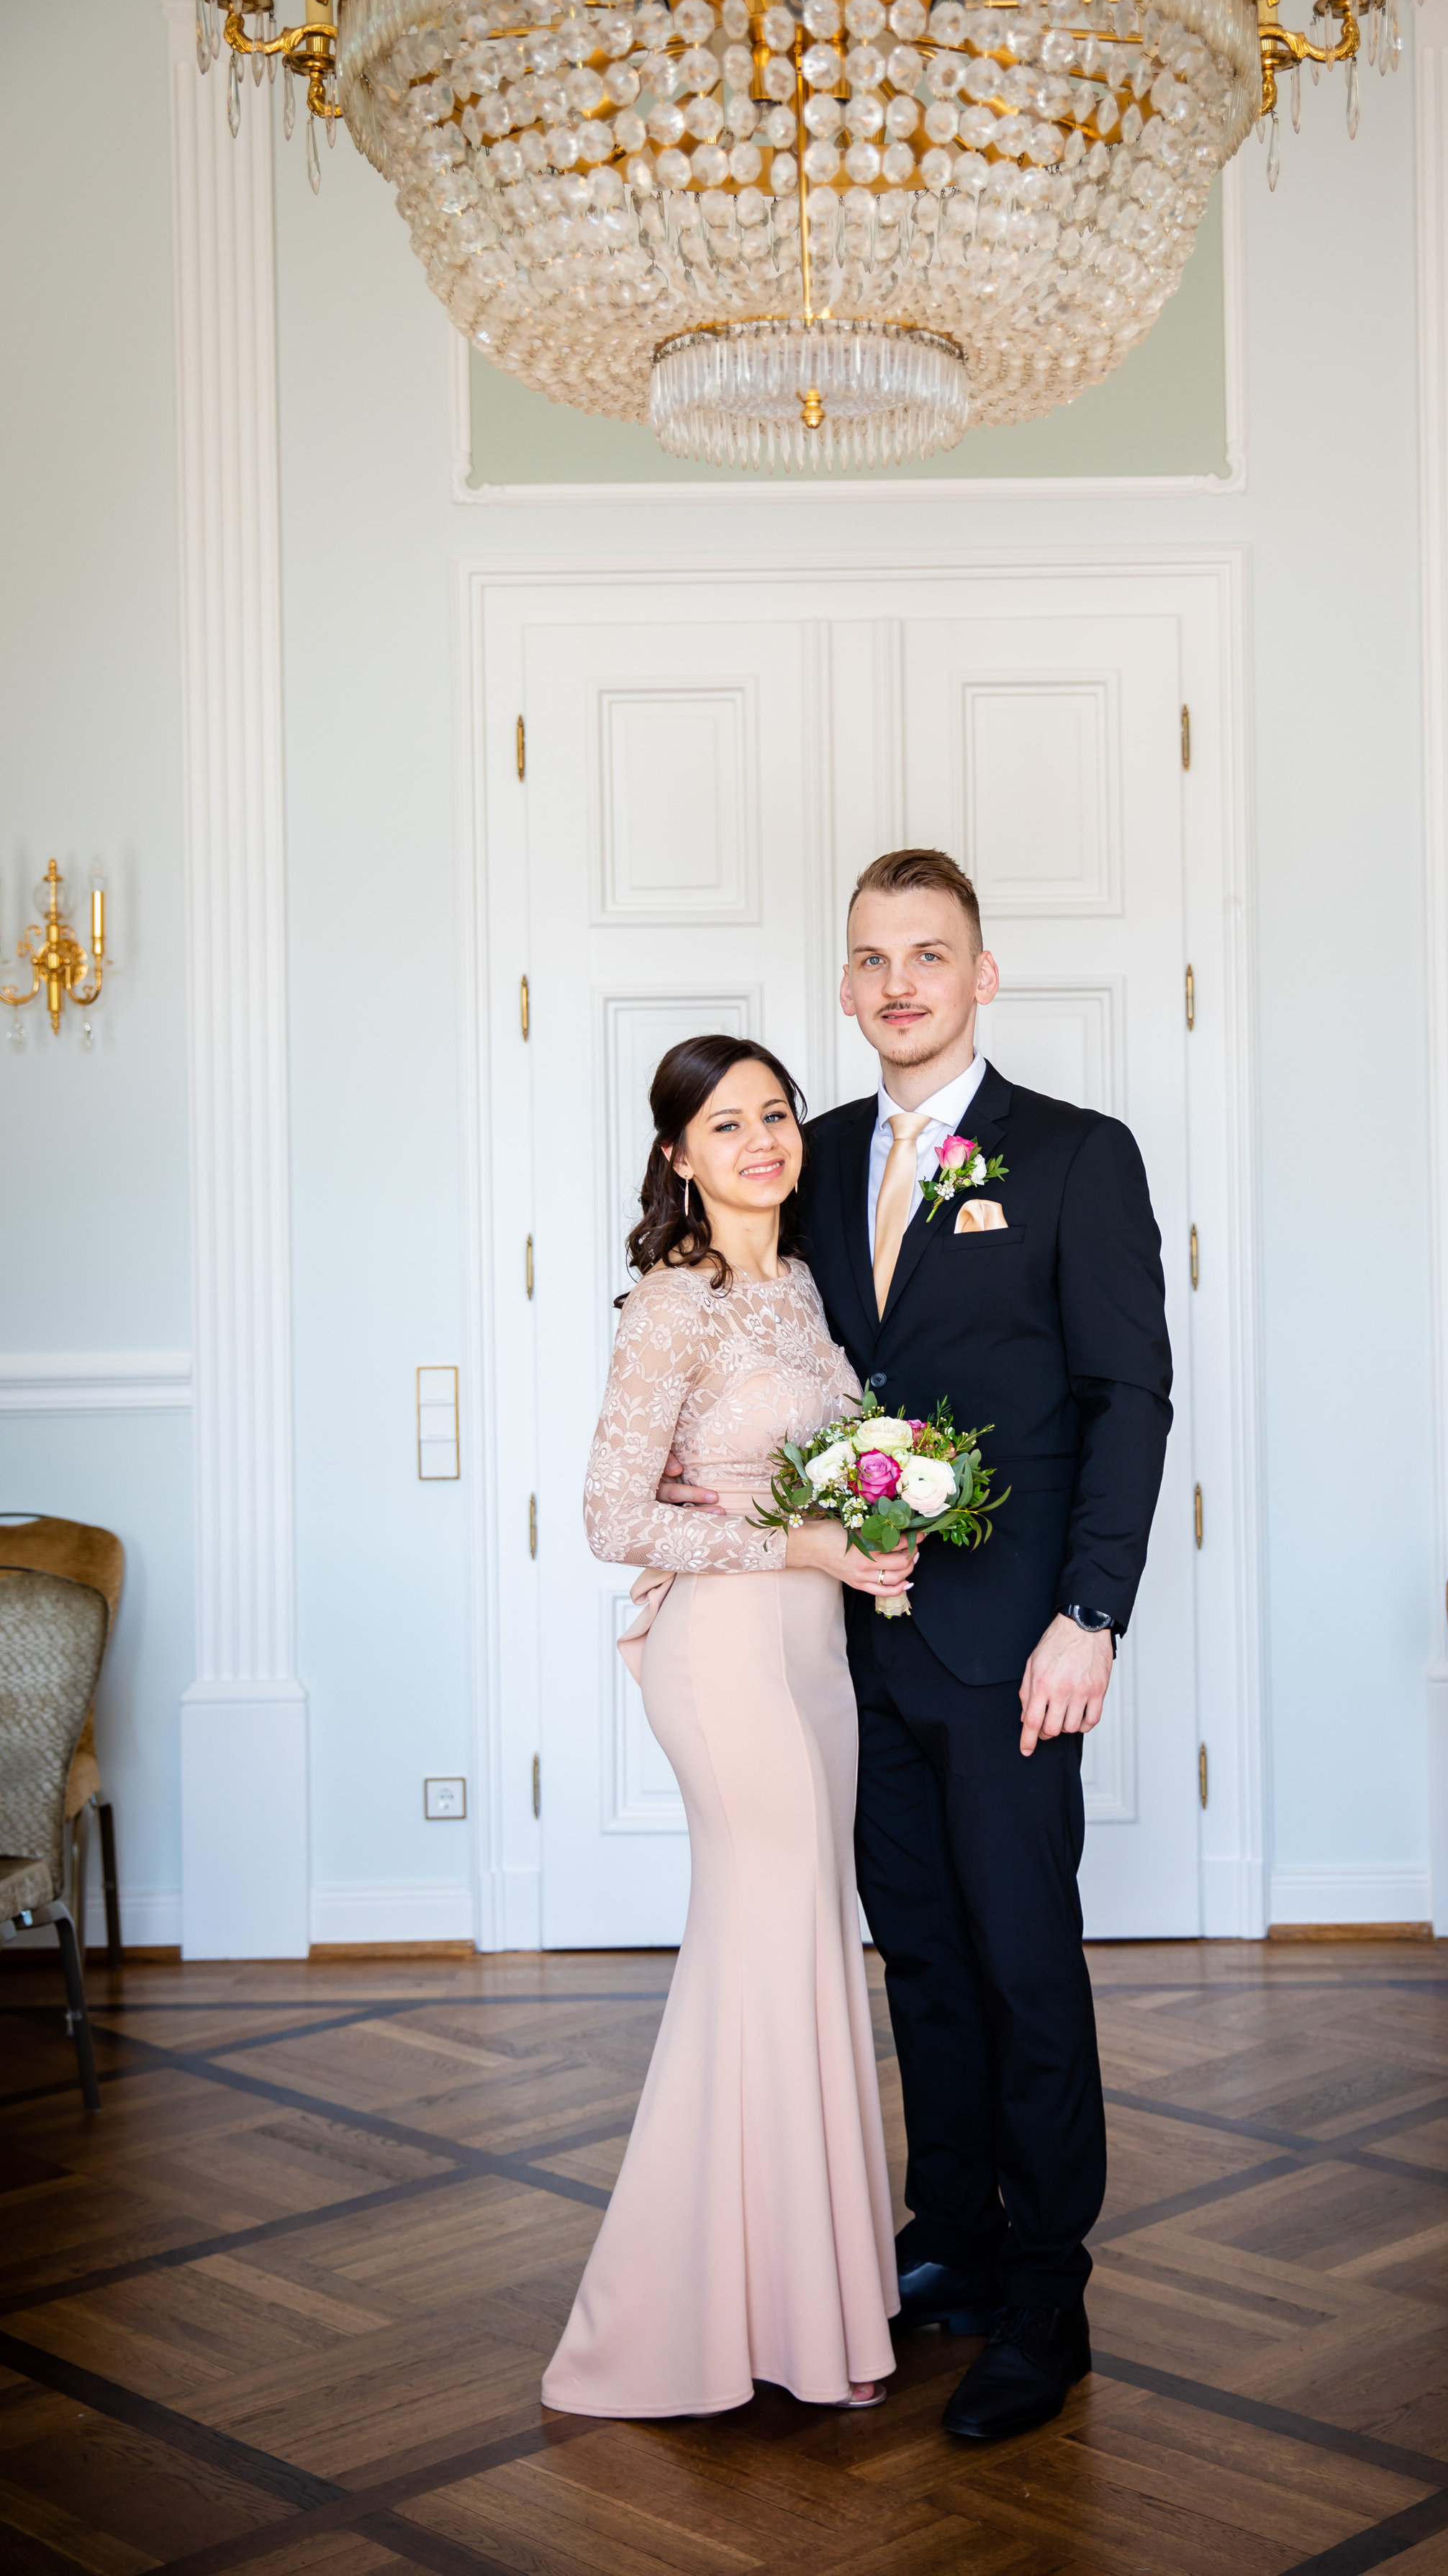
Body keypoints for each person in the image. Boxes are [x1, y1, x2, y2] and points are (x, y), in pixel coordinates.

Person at [663, 849, 1173, 2442]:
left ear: (980, 975)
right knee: (922, 1964)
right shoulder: (798, 1156)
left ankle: (1045, 2287)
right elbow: (734, 1337)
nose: (897, 983)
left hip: (1014, 1641)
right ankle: (945, 2232)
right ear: (842, 983)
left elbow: (1126, 1401)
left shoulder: (1077, 1158)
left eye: (928, 955)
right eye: (871, 958)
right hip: (837, 1652)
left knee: (1024, 1962)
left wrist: (1088, 1616)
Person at [540, 1035, 913, 2421]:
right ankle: (693, 2319)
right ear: (678, 1155)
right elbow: (609, 1519)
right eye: (725, 1122)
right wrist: (805, 1545)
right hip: (726, 1661)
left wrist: (870, 1537)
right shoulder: (670, 1307)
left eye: (776, 1113)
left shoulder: (807, 1285)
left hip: (815, 1662)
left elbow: (833, 1476)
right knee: (765, 1953)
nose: (760, 1138)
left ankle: (801, 2305)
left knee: (805, 1954)